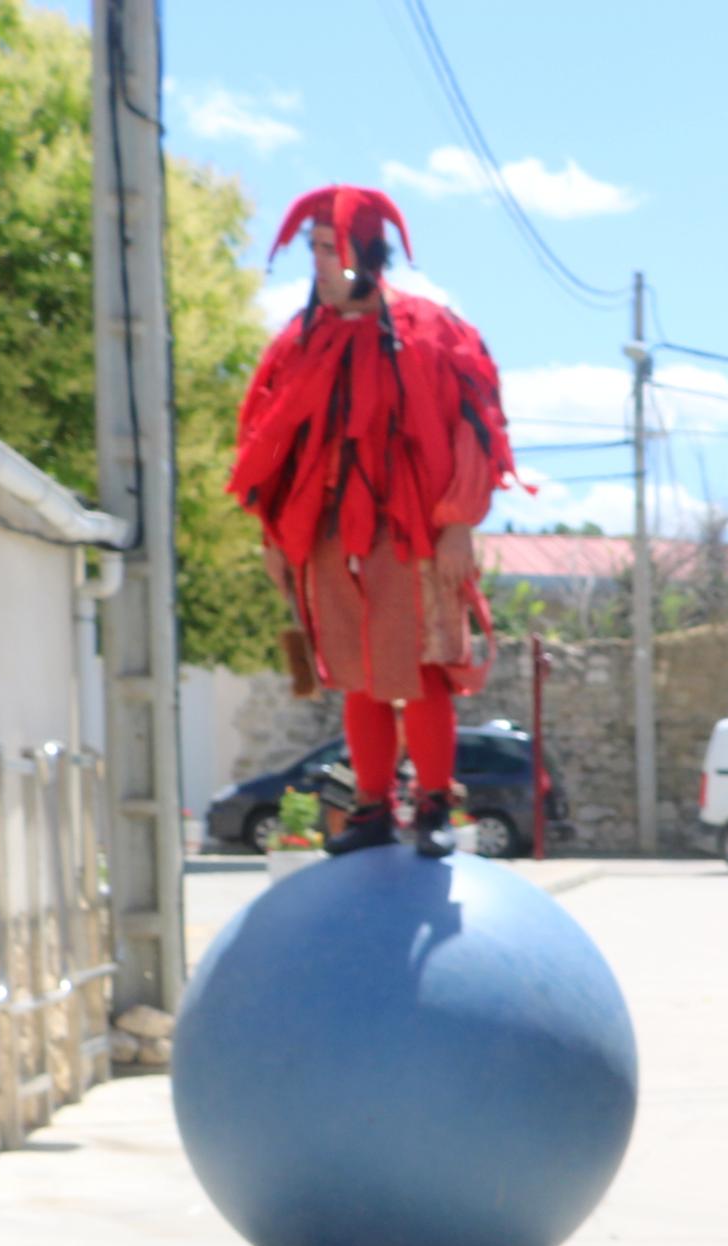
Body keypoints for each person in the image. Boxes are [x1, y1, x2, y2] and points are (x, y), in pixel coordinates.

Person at [226, 186, 512, 859]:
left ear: (365, 254)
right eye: (314, 250)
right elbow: (269, 444)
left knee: (424, 671)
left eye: (329, 249)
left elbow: (477, 431)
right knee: (357, 675)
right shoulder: (296, 345)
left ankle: (436, 805)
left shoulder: (436, 334)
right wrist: (274, 537)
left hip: (414, 534)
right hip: (328, 541)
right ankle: (372, 809)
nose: (319, 264)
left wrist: (458, 525)